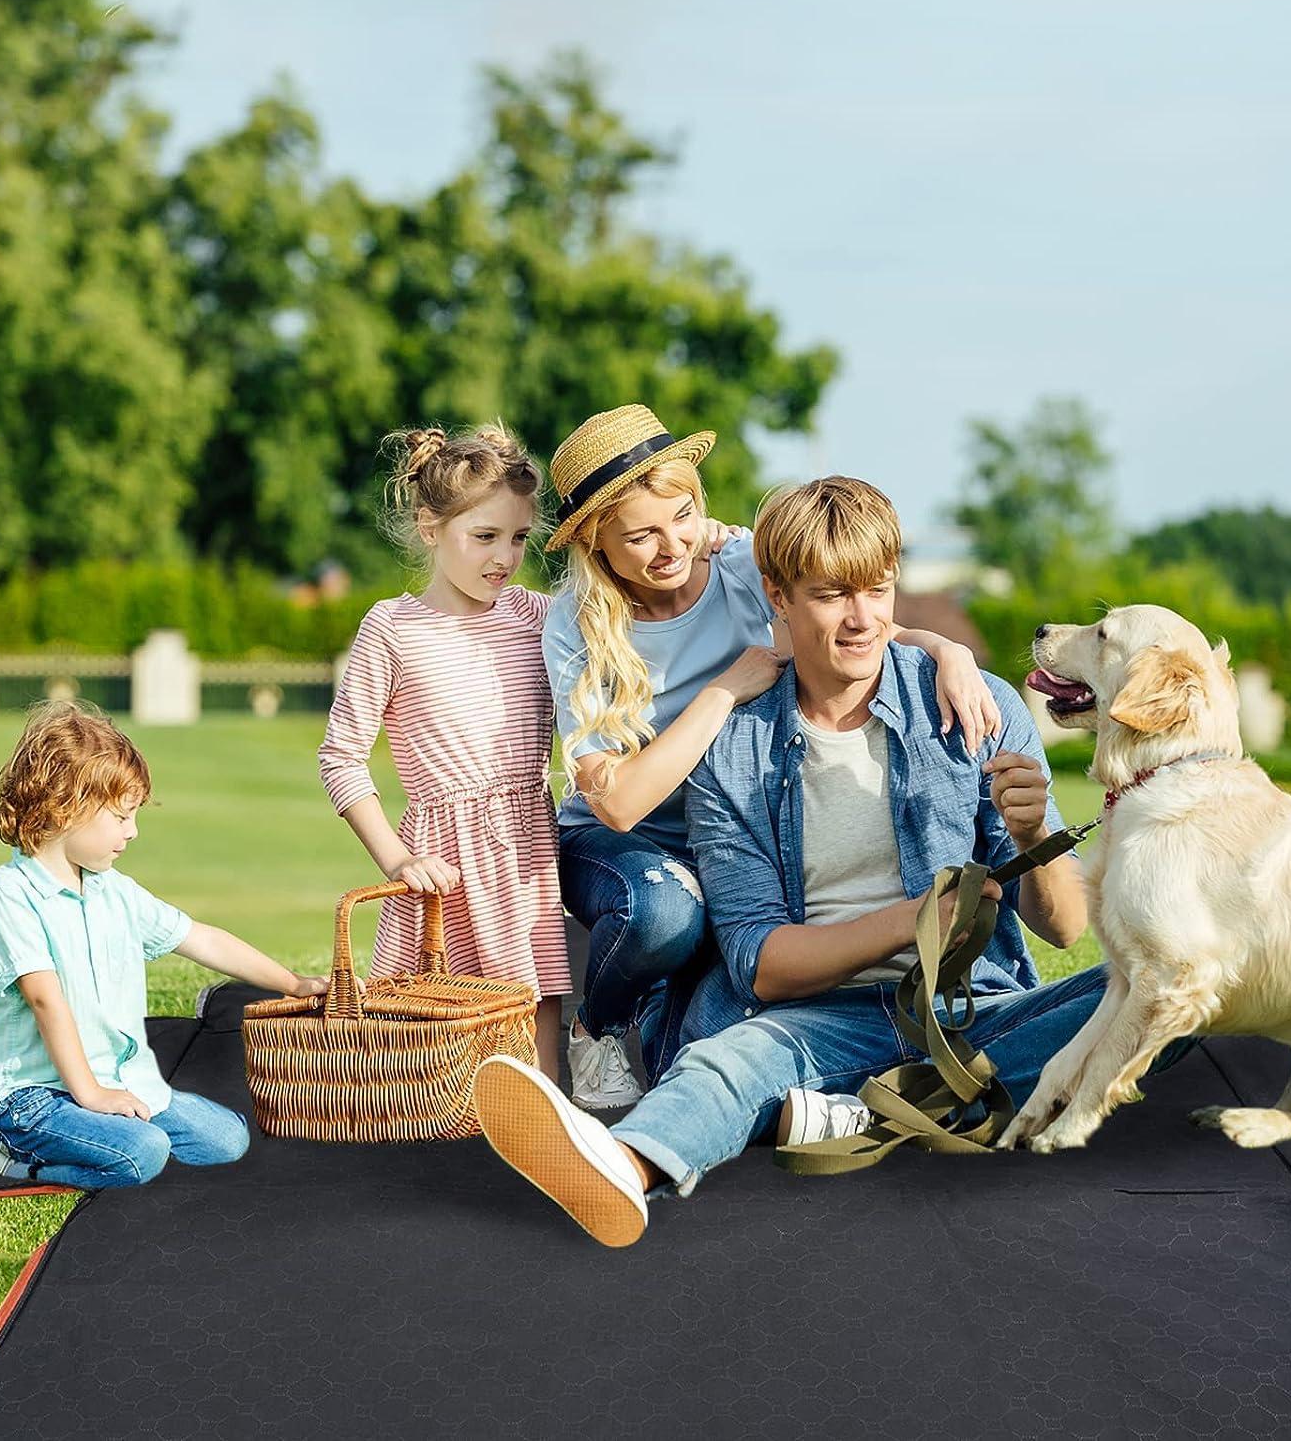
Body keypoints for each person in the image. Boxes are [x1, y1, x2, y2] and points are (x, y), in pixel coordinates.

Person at [473, 476, 1119, 1247]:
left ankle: (859, 1109)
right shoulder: (732, 750)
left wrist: (1026, 843)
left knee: (1149, 987)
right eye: (831, 597)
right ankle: (619, 1164)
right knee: (725, 1064)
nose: (862, 620)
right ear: (775, 595)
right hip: (809, 1016)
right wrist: (914, 920)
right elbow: (761, 966)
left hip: (967, 1009)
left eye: (878, 591)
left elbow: (1065, 924)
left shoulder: (975, 706)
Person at [542, 406, 1000, 1110]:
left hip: (739, 832)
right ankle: (597, 1023)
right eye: (641, 535)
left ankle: (681, 1018)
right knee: (665, 913)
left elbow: (851, 616)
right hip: (629, 846)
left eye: (684, 516)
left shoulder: (738, 563)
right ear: (596, 542)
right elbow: (620, 804)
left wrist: (947, 650)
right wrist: (727, 688)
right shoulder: (577, 623)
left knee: (687, 1062)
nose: (672, 546)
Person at [0, 702, 327, 1189]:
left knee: (227, 1140)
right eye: (121, 817)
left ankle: (112, 1129)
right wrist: (92, 1094)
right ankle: (21, 1162)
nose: (133, 832)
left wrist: (293, 982)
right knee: (143, 1152)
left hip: (119, 1082)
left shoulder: (113, 890)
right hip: (34, 1097)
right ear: (67, 806)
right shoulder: (10, 894)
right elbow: (44, 999)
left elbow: (200, 937)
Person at [318, 423, 573, 1080]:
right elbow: (341, 757)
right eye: (483, 537)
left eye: (518, 538)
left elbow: (624, 611)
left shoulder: (538, 617)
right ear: (430, 528)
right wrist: (398, 858)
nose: (505, 557)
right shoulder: (392, 628)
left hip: (525, 844)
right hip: (443, 857)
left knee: (535, 997)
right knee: (441, 1020)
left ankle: (549, 1122)